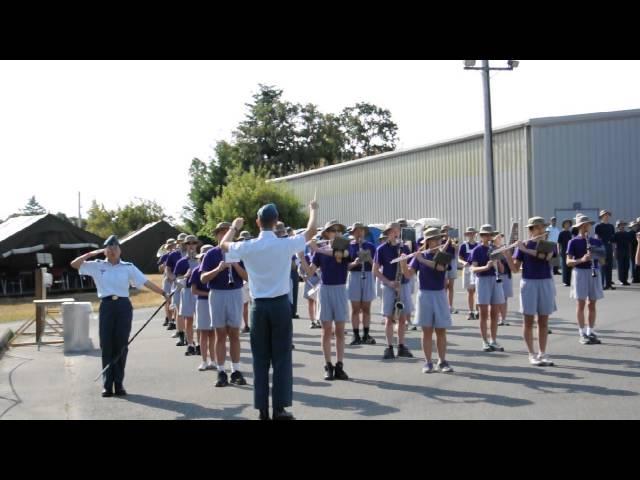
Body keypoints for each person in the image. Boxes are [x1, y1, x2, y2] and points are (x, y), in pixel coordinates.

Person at [219, 201, 318, 420]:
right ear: (276, 222)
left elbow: (224, 246)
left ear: (257, 222)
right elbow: (311, 231)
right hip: (281, 304)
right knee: (282, 357)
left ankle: (262, 408)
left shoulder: (249, 245)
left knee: (260, 358)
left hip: (259, 307)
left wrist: (234, 227)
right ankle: (279, 408)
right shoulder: (285, 244)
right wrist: (313, 210)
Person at [70, 235, 167, 397]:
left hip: (123, 306)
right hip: (107, 306)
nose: (113, 251)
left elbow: (145, 282)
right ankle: (107, 385)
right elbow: (75, 264)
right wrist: (91, 254)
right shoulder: (96, 265)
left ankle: (119, 384)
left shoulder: (128, 267)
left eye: (115, 248)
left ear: (120, 250)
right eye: (109, 248)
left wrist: (163, 293)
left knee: (121, 345)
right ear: (105, 251)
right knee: (107, 344)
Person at [299, 220, 351, 381]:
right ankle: (328, 365)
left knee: (340, 330)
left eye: (338, 230)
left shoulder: (345, 247)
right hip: (325, 290)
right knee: (326, 329)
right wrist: (301, 257)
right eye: (332, 231)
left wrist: (317, 249)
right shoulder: (319, 251)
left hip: (340, 289)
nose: (336, 233)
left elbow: (339, 256)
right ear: (327, 234)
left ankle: (340, 365)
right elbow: (309, 273)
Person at [201, 222, 248, 388]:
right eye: (220, 232)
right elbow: (203, 278)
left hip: (235, 292)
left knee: (234, 333)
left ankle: (236, 370)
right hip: (217, 294)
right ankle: (221, 370)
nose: (224, 235)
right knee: (220, 333)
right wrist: (218, 269)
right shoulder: (211, 254)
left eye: (227, 232)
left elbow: (247, 277)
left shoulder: (238, 252)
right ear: (216, 235)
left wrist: (235, 265)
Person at [400, 227, 454, 373]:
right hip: (424, 295)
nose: (438, 241)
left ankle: (442, 361)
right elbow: (408, 275)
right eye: (434, 239)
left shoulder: (443, 253)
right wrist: (404, 263)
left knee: (441, 330)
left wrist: (421, 260)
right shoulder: (420, 255)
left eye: (438, 239)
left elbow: (441, 268)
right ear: (428, 242)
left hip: (439, 294)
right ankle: (428, 362)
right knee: (427, 330)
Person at [504, 217, 557, 366]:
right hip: (528, 283)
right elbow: (515, 269)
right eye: (537, 228)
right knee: (528, 320)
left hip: (546, 282)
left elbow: (546, 257)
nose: (541, 230)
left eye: (542, 227)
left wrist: (525, 249)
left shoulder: (551, 245)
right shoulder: (523, 246)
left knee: (543, 320)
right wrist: (508, 255)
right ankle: (531, 354)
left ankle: (543, 353)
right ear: (531, 230)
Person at [373, 222, 414, 360]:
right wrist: (389, 282)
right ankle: (389, 347)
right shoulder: (381, 249)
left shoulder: (405, 248)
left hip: (403, 285)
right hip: (389, 286)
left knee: (402, 318)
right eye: (391, 231)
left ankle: (401, 346)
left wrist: (404, 265)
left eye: (396, 231)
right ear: (388, 233)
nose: (394, 233)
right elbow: (375, 270)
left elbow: (410, 268)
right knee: (388, 318)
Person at [566, 215, 605, 345]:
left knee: (592, 303)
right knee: (581, 304)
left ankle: (590, 331)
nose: (586, 227)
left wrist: (596, 255)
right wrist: (581, 259)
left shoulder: (596, 241)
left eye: (587, 224)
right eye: (583, 225)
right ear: (579, 227)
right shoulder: (573, 241)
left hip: (594, 271)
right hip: (580, 272)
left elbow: (603, 261)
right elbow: (568, 262)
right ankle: (582, 332)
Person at [470, 224, 505, 352]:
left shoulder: (496, 249)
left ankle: (493, 340)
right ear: (481, 236)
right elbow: (473, 268)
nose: (487, 237)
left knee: (495, 312)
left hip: (495, 280)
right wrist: (485, 267)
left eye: (490, 235)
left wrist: (498, 261)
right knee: (484, 313)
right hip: (483, 280)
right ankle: (484, 341)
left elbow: (502, 270)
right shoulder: (477, 250)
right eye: (484, 235)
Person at [346, 222, 377, 346]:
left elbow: (376, 264)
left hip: (368, 275)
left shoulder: (370, 246)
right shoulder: (348, 246)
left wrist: (368, 258)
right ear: (353, 233)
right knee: (355, 308)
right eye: (357, 231)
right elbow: (345, 266)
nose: (359, 233)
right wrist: (355, 262)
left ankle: (366, 334)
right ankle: (356, 334)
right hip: (354, 276)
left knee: (366, 307)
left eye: (361, 231)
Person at [173, 235, 200, 355]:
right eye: (189, 243)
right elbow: (177, 279)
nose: (191, 246)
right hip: (187, 291)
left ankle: (199, 344)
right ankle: (190, 344)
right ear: (185, 245)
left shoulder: (201, 259)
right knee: (188, 319)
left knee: (200, 320)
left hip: (199, 292)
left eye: (194, 243)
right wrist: (185, 276)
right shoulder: (181, 262)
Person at [191, 244, 216, 371]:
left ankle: (213, 360)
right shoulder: (197, 271)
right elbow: (194, 291)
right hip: (202, 303)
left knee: (213, 334)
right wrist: (209, 294)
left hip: (215, 303)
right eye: (203, 257)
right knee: (204, 334)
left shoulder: (217, 270)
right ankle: (204, 361)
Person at [165, 232, 188, 334]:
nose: (183, 243)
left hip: (190, 284)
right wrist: (173, 278)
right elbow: (168, 269)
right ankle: (181, 334)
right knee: (179, 310)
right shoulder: (173, 254)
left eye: (185, 241)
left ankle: (189, 334)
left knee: (190, 312)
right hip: (178, 283)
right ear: (178, 242)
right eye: (181, 241)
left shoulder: (192, 253)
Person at [458, 227, 479, 320]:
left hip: (477, 269)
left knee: (478, 291)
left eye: (472, 233)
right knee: (470, 292)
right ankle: (471, 311)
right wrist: (463, 262)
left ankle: (478, 311)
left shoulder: (478, 245)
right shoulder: (463, 246)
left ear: (475, 234)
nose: (471, 235)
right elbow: (459, 258)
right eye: (469, 233)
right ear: (466, 235)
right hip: (467, 269)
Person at [493, 234, 512, 326]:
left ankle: (503, 318)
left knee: (504, 298)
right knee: (498, 298)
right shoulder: (492, 249)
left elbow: (509, 261)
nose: (499, 239)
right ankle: (498, 317)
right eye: (498, 238)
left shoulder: (505, 248)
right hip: (497, 276)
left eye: (500, 238)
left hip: (506, 275)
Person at [595, 210, 616, 290]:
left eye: (608, 215)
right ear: (601, 216)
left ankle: (608, 284)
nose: (607, 216)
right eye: (605, 215)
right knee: (602, 266)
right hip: (601, 247)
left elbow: (613, 240)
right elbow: (596, 237)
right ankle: (601, 284)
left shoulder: (611, 226)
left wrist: (614, 250)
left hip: (609, 246)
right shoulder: (598, 226)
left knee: (609, 266)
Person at [440, 225, 459, 315]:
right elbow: (441, 251)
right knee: (444, 286)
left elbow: (456, 253)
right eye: (445, 231)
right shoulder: (441, 240)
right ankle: (443, 305)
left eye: (449, 231)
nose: (447, 232)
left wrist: (455, 245)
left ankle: (450, 306)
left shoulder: (454, 240)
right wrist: (447, 242)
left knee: (451, 286)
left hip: (452, 262)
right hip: (444, 261)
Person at [237, 231, 253, 333]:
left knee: (255, 304)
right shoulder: (238, 253)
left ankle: (255, 325)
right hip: (243, 281)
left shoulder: (253, 251)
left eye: (247, 240)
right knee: (244, 305)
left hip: (254, 280)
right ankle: (246, 325)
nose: (245, 242)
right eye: (243, 240)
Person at [157, 238, 176, 326]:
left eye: (173, 245)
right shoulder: (164, 256)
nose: (172, 247)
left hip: (175, 279)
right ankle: (169, 319)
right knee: (167, 300)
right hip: (167, 280)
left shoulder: (177, 255)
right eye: (170, 246)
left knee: (176, 300)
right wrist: (163, 265)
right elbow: (160, 269)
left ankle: (175, 319)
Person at [612, 220, 632, 286]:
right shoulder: (616, 234)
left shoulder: (627, 234)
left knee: (626, 266)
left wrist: (629, 252)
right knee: (620, 267)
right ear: (618, 226)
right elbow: (614, 244)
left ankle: (625, 280)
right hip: (619, 252)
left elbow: (629, 243)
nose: (622, 226)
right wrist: (614, 252)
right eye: (621, 225)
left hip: (626, 252)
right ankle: (621, 280)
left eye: (623, 225)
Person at [558, 219, 574, 287]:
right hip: (563, 250)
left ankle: (568, 281)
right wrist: (558, 250)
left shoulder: (570, 233)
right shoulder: (561, 233)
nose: (567, 225)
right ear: (563, 225)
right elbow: (558, 243)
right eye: (566, 224)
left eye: (568, 224)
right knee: (564, 266)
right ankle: (565, 281)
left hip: (570, 251)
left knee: (569, 266)